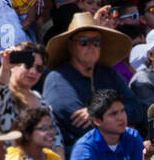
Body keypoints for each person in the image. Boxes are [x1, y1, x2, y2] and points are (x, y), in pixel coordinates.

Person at [42, 11, 141, 150]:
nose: (91, 46)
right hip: (78, 154)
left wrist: (96, 112)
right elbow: (78, 124)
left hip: (119, 149)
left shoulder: (109, 73)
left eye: (96, 42)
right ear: (70, 46)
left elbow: (136, 109)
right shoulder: (57, 79)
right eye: (83, 42)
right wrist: (120, 118)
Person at [67, 89, 146, 160]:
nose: (121, 117)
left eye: (122, 111)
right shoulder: (84, 150)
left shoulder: (133, 137)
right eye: (113, 114)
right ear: (97, 121)